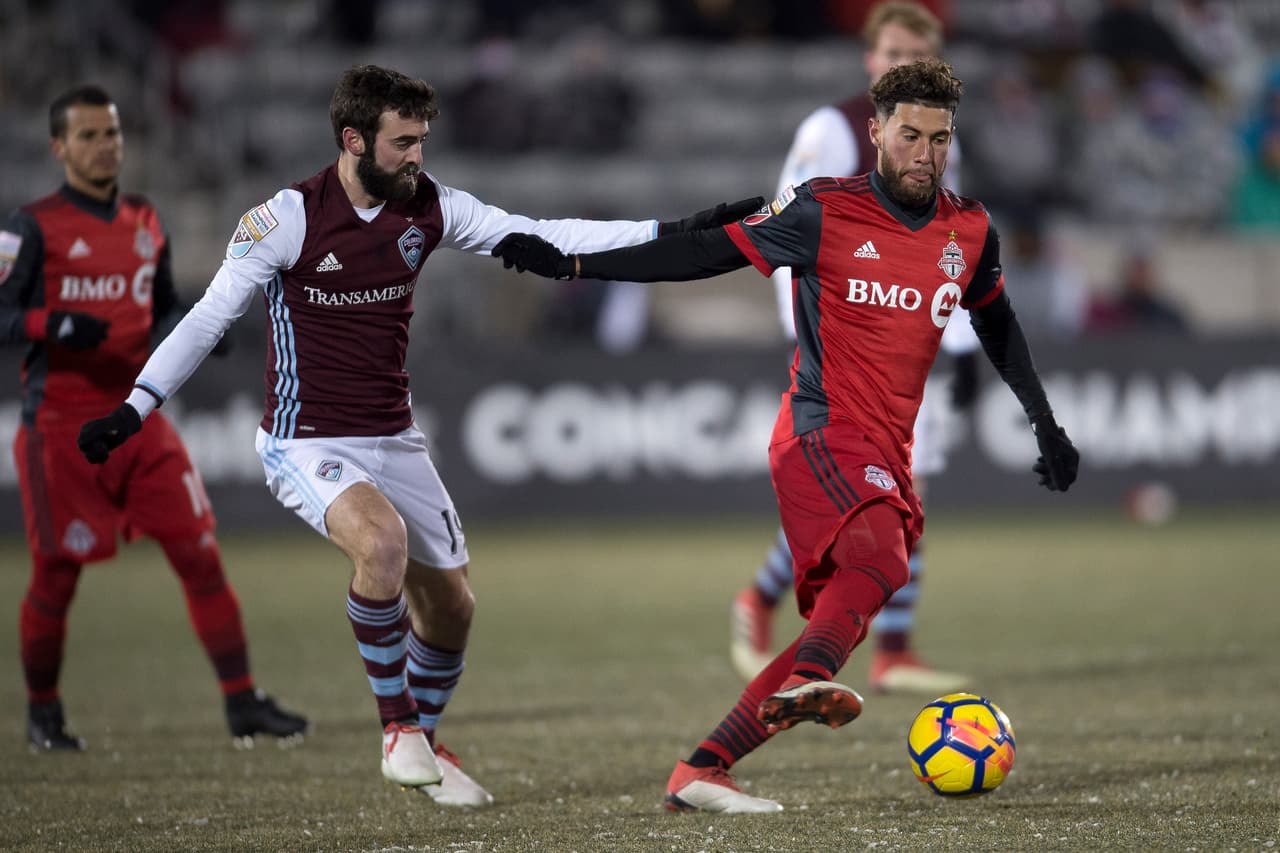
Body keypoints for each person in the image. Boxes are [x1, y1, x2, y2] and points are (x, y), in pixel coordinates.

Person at [75, 65, 759, 807]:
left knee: (455, 608)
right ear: (353, 139)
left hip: (393, 436)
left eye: (422, 141)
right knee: (382, 545)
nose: (416, 157)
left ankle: (426, 742)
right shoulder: (288, 218)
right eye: (402, 143)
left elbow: (547, 233)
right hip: (307, 440)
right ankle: (398, 728)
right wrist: (136, 405)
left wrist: (675, 229)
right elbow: (209, 319)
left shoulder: (430, 207)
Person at [492, 58, 1081, 812]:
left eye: (939, 138)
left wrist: (1044, 420)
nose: (925, 154)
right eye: (909, 135)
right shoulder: (822, 210)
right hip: (820, 431)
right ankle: (806, 678)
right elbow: (704, 253)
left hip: (884, 448)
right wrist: (576, 262)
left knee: (861, 591)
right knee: (882, 556)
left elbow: (997, 324)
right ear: (874, 133)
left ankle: (703, 767)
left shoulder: (969, 230)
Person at [0, 84, 308, 752]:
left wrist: (199, 324)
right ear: (58, 147)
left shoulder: (144, 217)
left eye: (111, 133)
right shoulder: (29, 227)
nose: (105, 146)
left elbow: (162, 303)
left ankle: (240, 700)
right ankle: (43, 711)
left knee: (200, 551)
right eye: (88, 135)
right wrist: (48, 321)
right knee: (57, 574)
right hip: (60, 429)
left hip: (138, 418)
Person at [731, 0, 978, 695]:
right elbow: (786, 233)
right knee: (866, 496)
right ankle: (762, 600)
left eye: (915, 57)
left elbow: (943, 250)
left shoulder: (935, 139)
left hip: (909, 341)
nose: (901, 66)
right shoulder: (836, 130)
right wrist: (805, 337)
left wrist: (960, 342)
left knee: (904, 492)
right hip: (845, 345)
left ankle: (892, 647)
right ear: (871, 60)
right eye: (892, 54)